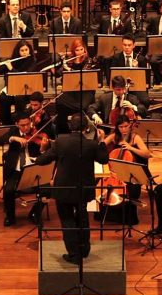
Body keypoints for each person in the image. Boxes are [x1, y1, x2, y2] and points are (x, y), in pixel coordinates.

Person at [35, 113, 108, 263]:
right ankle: (84, 250)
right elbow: (104, 159)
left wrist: (43, 149)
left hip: (64, 188)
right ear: (86, 128)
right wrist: (101, 141)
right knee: (82, 218)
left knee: (67, 220)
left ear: (70, 126)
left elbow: (41, 161)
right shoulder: (91, 144)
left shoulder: (60, 142)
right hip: (83, 188)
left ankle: (74, 255)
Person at [0, 113, 50, 227]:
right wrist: (13, 138)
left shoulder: (37, 133)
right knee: (8, 190)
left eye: (28, 124)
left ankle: (35, 213)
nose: (26, 127)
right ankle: (10, 217)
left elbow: (43, 155)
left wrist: (43, 148)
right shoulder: (13, 131)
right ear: (17, 124)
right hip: (15, 170)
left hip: (31, 169)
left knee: (47, 189)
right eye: (22, 125)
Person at [0, 39, 37, 126]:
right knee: (3, 98)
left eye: (26, 50)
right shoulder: (14, 60)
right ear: (18, 51)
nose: (25, 52)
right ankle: (6, 122)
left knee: (19, 98)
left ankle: (20, 122)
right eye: (22, 50)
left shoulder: (32, 62)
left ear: (29, 50)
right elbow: (1, 70)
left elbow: (23, 77)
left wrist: (11, 68)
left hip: (26, 90)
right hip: (13, 88)